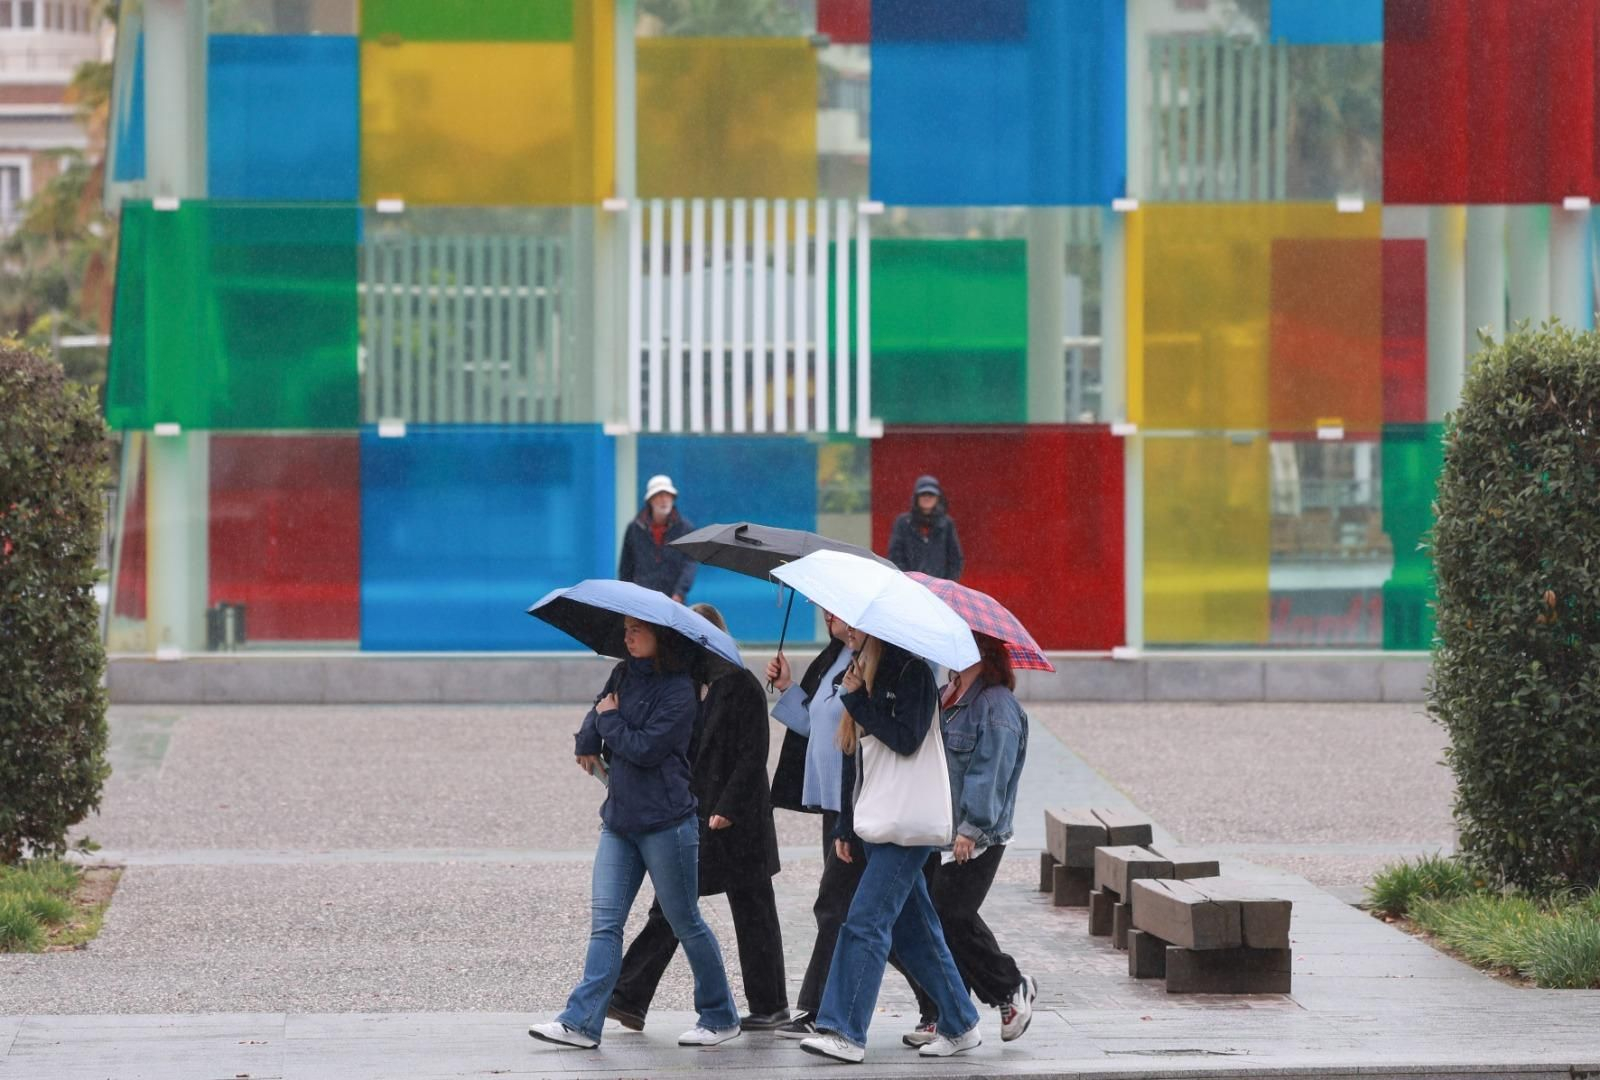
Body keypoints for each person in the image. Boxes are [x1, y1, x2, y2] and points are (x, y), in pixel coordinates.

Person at [528, 615, 741, 1050]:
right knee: (605, 924)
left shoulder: (680, 691)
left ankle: (719, 1015)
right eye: (625, 629)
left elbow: (644, 748)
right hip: (620, 821)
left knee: (686, 922)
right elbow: (597, 710)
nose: (627, 637)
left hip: (668, 824)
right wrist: (589, 735)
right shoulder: (623, 672)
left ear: (660, 638)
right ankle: (582, 1022)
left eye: (635, 630)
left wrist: (607, 722)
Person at [799, 631, 982, 1064]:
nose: (846, 631)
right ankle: (959, 1020)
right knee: (913, 929)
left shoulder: (912, 671)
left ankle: (844, 1030)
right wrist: (845, 824)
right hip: (881, 821)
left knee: (864, 922)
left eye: (856, 627)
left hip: (907, 825)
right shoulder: (865, 668)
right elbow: (856, 755)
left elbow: (907, 738)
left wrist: (858, 700)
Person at [607, 604, 789, 1032]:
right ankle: (628, 997)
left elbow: (752, 756)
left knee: (752, 911)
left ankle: (770, 1004)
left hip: (736, 821)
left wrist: (727, 807)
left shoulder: (739, 683)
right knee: (672, 908)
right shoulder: (688, 685)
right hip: (696, 814)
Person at [897, 632, 1037, 1046]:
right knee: (934, 920)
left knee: (952, 915)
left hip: (975, 836)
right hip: (939, 831)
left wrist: (970, 829)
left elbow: (989, 772)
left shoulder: (995, 707)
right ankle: (950, 1013)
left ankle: (1010, 987)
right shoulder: (949, 693)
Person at [618, 475, 697, 601]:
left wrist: (679, 593)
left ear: (673, 498)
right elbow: (626, 566)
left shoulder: (685, 529)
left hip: (673, 600)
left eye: (668, 495)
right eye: (659, 495)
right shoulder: (634, 528)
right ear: (650, 500)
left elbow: (690, 564)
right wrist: (626, 595)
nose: (664, 500)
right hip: (640, 599)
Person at [888, 475, 964, 581]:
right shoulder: (903, 523)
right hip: (909, 586)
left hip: (939, 588)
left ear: (938, 498)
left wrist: (947, 582)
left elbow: (955, 558)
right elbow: (895, 556)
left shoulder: (947, 524)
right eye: (923, 494)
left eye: (931, 494)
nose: (927, 498)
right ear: (916, 497)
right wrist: (907, 579)